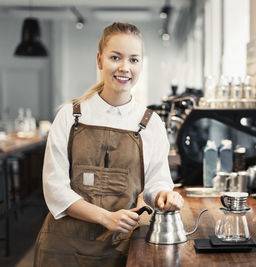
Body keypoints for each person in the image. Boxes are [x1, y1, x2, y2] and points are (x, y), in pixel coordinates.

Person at [34, 22, 184, 266]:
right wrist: (105, 217)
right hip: (62, 250)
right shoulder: (70, 115)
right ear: (99, 60)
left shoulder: (150, 123)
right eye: (116, 57)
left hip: (120, 249)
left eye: (134, 60)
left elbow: (157, 181)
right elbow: (55, 189)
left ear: (141, 64)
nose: (125, 67)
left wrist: (164, 195)